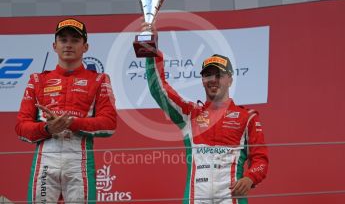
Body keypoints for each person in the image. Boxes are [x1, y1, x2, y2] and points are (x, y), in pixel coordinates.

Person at [143, 23, 268, 204]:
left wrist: (250, 178)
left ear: (230, 79)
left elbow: (261, 160)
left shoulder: (247, 117)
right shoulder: (190, 114)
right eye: (208, 75)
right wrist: (151, 49)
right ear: (202, 80)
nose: (213, 80)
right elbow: (159, 90)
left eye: (219, 75)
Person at [15, 18, 117, 203]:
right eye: (63, 40)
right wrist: (47, 129)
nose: (68, 45)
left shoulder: (99, 79)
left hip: (79, 160)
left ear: (85, 47)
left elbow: (109, 124)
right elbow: (21, 128)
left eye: (75, 40)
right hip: (46, 159)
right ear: (55, 46)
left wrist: (72, 123)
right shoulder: (37, 80)